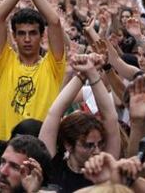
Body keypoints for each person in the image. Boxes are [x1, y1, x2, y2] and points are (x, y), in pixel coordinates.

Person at [0, 0, 65, 146]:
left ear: (42, 36)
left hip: (43, 148)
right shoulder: (5, 63)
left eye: (33, 33)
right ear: (14, 36)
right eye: (21, 34)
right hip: (4, 147)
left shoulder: (53, 66)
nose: (27, 39)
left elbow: (54, 21)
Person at [39, 53, 120, 193]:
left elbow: (110, 117)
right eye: (88, 145)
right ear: (68, 145)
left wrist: (92, 73)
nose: (97, 151)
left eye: (99, 144)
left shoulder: (105, 168)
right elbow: (54, 113)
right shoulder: (53, 164)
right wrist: (82, 76)